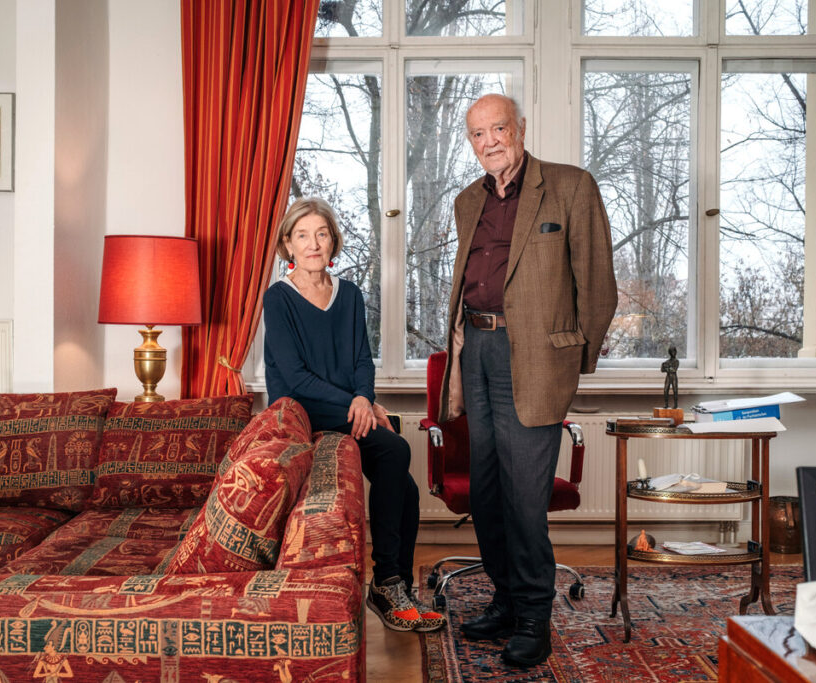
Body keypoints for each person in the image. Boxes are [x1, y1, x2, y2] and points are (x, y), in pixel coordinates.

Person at [438, 93, 618, 667]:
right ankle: (507, 600)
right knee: (487, 492)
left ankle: (536, 617)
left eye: (498, 128)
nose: (489, 141)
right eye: (477, 134)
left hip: (536, 359)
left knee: (523, 496)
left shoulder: (570, 186)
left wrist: (571, 362)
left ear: (519, 128)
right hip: (477, 350)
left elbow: (598, 285)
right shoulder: (468, 200)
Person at [263, 197, 446, 633]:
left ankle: (394, 587)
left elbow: (363, 359)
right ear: (287, 244)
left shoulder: (348, 295)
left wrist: (364, 396)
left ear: (333, 241)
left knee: (407, 489)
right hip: (303, 411)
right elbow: (295, 376)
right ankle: (385, 582)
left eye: (321, 234)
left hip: (346, 406)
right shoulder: (278, 298)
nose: (313, 244)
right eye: (302, 235)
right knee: (395, 448)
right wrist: (357, 403)